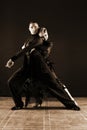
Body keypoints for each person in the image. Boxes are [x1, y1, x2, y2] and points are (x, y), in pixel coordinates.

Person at [5, 22, 44, 110]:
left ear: (38, 28)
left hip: (36, 69)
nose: (33, 28)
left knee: (54, 87)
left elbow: (25, 49)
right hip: (26, 68)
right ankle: (19, 104)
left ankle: (71, 104)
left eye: (35, 26)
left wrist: (13, 59)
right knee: (11, 82)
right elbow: (25, 50)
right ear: (29, 29)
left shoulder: (38, 40)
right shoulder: (29, 39)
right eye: (31, 27)